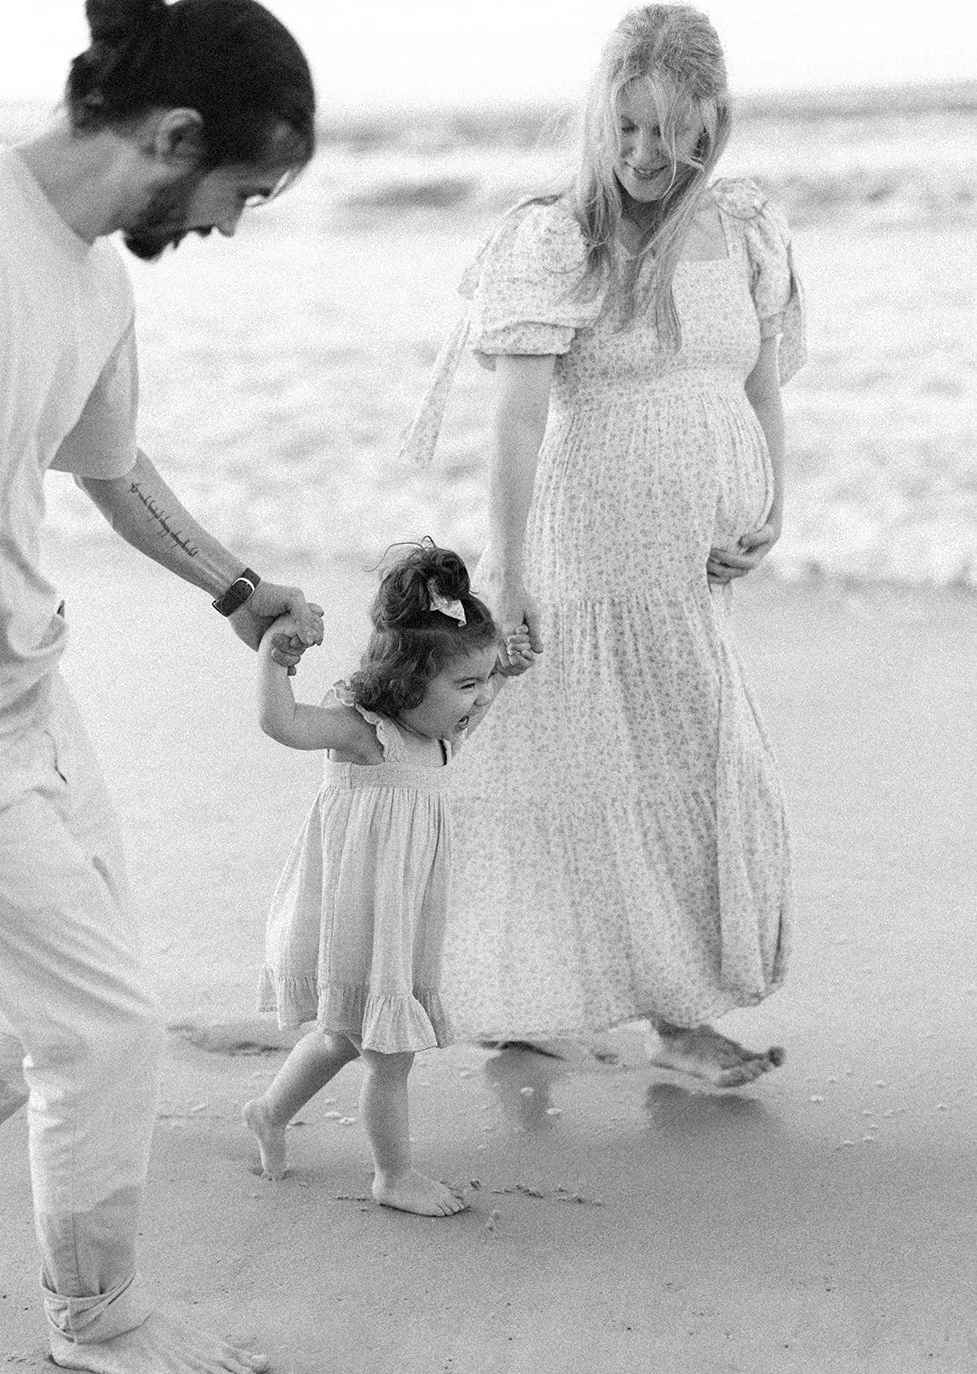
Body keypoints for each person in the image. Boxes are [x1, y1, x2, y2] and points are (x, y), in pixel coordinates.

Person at [0, 0, 324, 1374]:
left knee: (81, 994)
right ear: (174, 136)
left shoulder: (91, 277)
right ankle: (95, 1315)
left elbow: (110, 466)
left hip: (27, 687)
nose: (231, 222)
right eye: (242, 190)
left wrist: (235, 587)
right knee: (101, 1030)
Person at [402, 4, 804, 1084]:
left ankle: (625, 1004)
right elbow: (519, 421)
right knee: (579, 775)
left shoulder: (744, 230)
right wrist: (509, 572)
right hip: (589, 555)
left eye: (671, 132)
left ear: (713, 121)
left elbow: (756, 388)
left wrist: (768, 511)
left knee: (682, 767)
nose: (643, 155)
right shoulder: (556, 236)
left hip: (692, 567)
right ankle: (644, 1016)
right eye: (625, 127)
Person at [243, 544, 535, 1216]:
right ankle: (392, 1176)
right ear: (406, 683)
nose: (480, 697)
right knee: (387, 1050)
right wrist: (273, 664)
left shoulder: (439, 734)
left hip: (402, 909)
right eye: (466, 685)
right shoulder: (365, 732)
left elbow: (483, 701)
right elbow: (280, 724)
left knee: (344, 1036)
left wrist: (501, 674)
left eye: (484, 681)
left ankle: (267, 1111)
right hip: (358, 907)